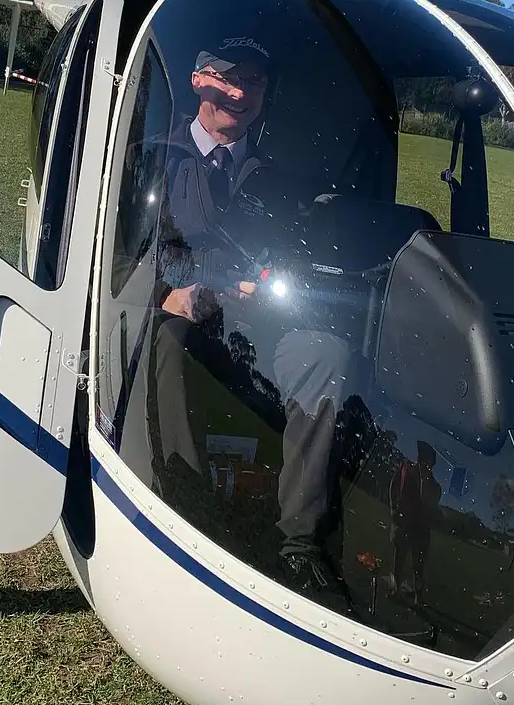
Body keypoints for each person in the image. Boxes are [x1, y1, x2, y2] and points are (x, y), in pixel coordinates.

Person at [141, 37, 360, 604]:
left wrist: (276, 281)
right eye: (227, 77)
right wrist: (171, 291)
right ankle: (184, 515)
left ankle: (299, 541)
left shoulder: (273, 179)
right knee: (168, 339)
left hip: (257, 325)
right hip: (183, 316)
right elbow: (126, 252)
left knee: (325, 355)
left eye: (255, 82)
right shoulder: (154, 158)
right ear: (197, 83)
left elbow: (291, 255)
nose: (240, 92)